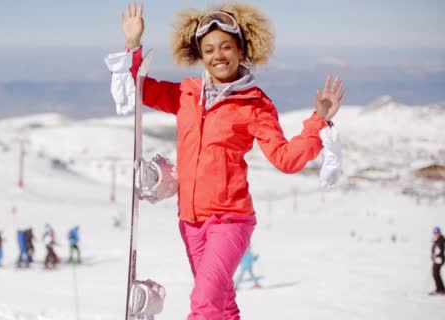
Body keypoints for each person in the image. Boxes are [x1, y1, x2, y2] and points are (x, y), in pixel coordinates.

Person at [116, 2, 345, 318]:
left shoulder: (255, 104)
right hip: (190, 221)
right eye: (209, 49)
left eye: (226, 46)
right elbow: (139, 90)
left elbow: (285, 158)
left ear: (241, 50)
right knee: (222, 304)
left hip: (230, 221)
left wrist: (317, 121)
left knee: (204, 304)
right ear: (200, 55)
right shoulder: (186, 94)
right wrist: (133, 44)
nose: (218, 55)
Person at [431, 226, 445, 295]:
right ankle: (440, 289)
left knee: (436, 274)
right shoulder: (438, 239)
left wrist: (435, 256)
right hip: (437, 259)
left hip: (439, 259)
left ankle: (440, 289)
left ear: (439, 232)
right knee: (435, 274)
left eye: (436, 232)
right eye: (435, 232)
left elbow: (439, 250)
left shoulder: (441, 240)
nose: (435, 234)